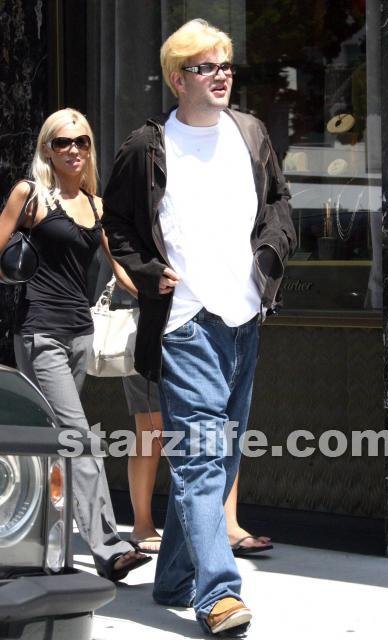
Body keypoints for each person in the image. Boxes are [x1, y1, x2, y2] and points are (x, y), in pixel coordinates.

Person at [103, 19, 296, 635]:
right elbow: (118, 223)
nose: (220, 75)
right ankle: (218, 593)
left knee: (222, 455)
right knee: (200, 460)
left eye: (225, 65)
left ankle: (172, 578)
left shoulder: (251, 133)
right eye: (205, 66)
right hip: (186, 322)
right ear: (176, 78)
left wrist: (271, 252)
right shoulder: (148, 146)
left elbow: (279, 204)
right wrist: (146, 272)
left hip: (244, 317)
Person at [0, 108, 151, 582]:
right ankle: (109, 547)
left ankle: (41, 538)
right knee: (77, 437)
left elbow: (120, 268)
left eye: (81, 141)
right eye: (62, 142)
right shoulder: (30, 195)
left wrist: (160, 293)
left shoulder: (96, 205)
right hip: (40, 332)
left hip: (81, 334)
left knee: (54, 440)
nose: (73, 150)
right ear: (47, 149)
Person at [109, 279, 273, 557]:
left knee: (222, 427)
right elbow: (122, 261)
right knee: (153, 429)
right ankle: (142, 524)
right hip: (152, 319)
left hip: (211, 320)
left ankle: (228, 524)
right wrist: (151, 289)